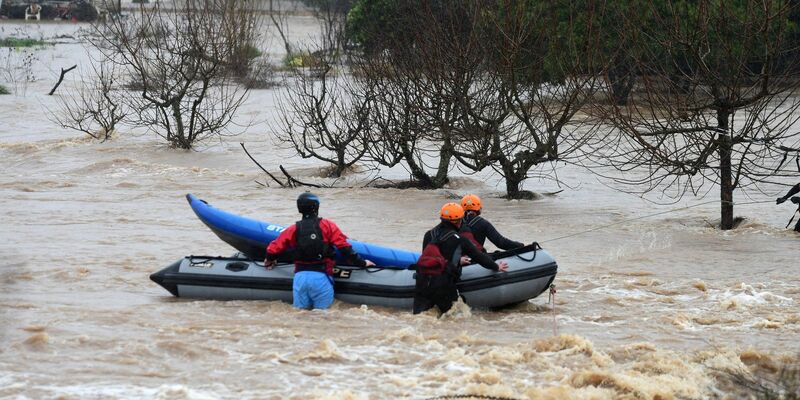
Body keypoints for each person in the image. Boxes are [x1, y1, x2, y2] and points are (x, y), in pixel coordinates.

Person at [265, 192, 375, 310]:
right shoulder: (328, 226)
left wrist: (269, 261)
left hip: (300, 279)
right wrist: (363, 263)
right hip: (320, 277)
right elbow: (345, 248)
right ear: (317, 207)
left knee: (299, 314)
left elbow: (273, 249)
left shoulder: (293, 229)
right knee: (322, 317)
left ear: (299, 208)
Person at [413, 203, 509, 315]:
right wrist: (496, 266)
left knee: (422, 318)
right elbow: (479, 257)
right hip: (443, 284)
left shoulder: (429, 234)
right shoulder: (460, 240)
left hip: (422, 282)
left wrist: (458, 260)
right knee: (454, 319)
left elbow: (431, 257)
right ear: (458, 221)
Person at [459, 194, 524, 252]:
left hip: (457, 259)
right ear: (479, 208)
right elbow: (501, 243)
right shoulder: (482, 223)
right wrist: (521, 246)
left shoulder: (454, 222)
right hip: (475, 258)